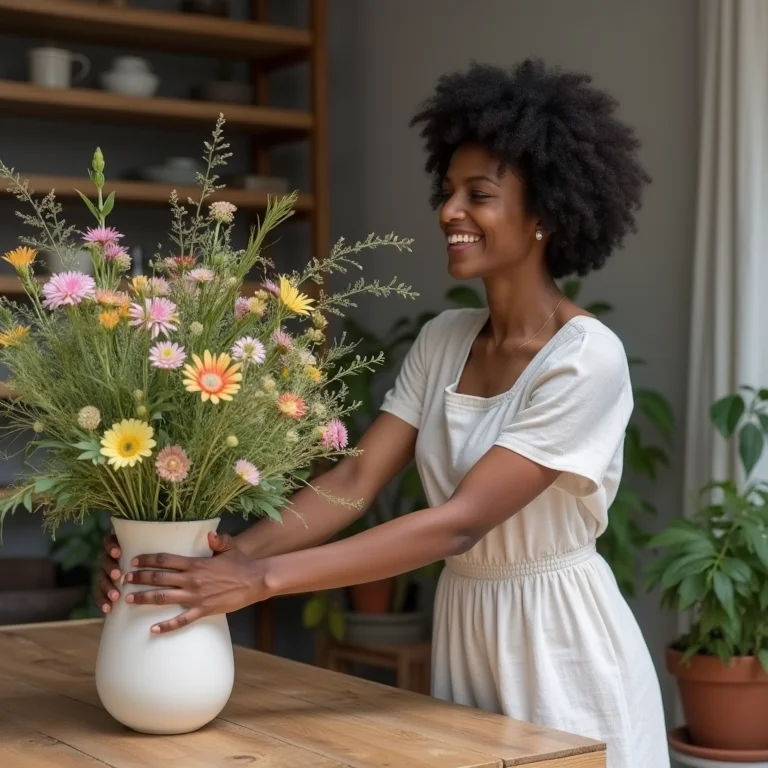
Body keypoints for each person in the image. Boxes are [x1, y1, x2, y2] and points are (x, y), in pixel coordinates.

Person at [97, 59, 669, 767]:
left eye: (478, 194)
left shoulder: (586, 359)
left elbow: (461, 523)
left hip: (559, 644)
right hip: (466, 628)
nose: (448, 211)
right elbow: (357, 478)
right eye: (448, 190)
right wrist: (234, 556)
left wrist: (261, 582)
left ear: (546, 213)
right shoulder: (445, 339)